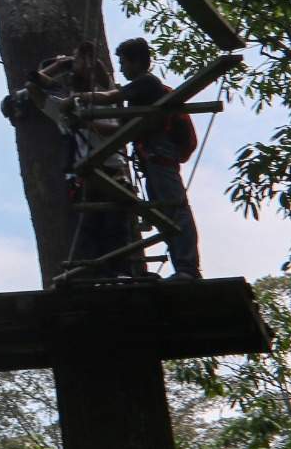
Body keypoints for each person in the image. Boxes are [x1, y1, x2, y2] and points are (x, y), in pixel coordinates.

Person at [4, 43, 143, 280]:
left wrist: (85, 60)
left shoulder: (106, 97)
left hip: (114, 172)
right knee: (91, 228)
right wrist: (63, 64)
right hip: (88, 178)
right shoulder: (65, 108)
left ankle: (121, 274)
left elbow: (102, 75)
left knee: (115, 228)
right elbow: (33, 86)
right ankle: (98, 276)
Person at [69, 37, 202, 280]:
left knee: (175, 209)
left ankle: (187, 268)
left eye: (123, 62)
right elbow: (120, 131)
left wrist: (81, 99)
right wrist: (87, 121)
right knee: (164, 214)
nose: (120, 68)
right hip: (151, 158)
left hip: (160, 155)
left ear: (136, 62)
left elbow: (110, 96)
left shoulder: (147, 83)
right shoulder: (139, 95)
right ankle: (183, 268)